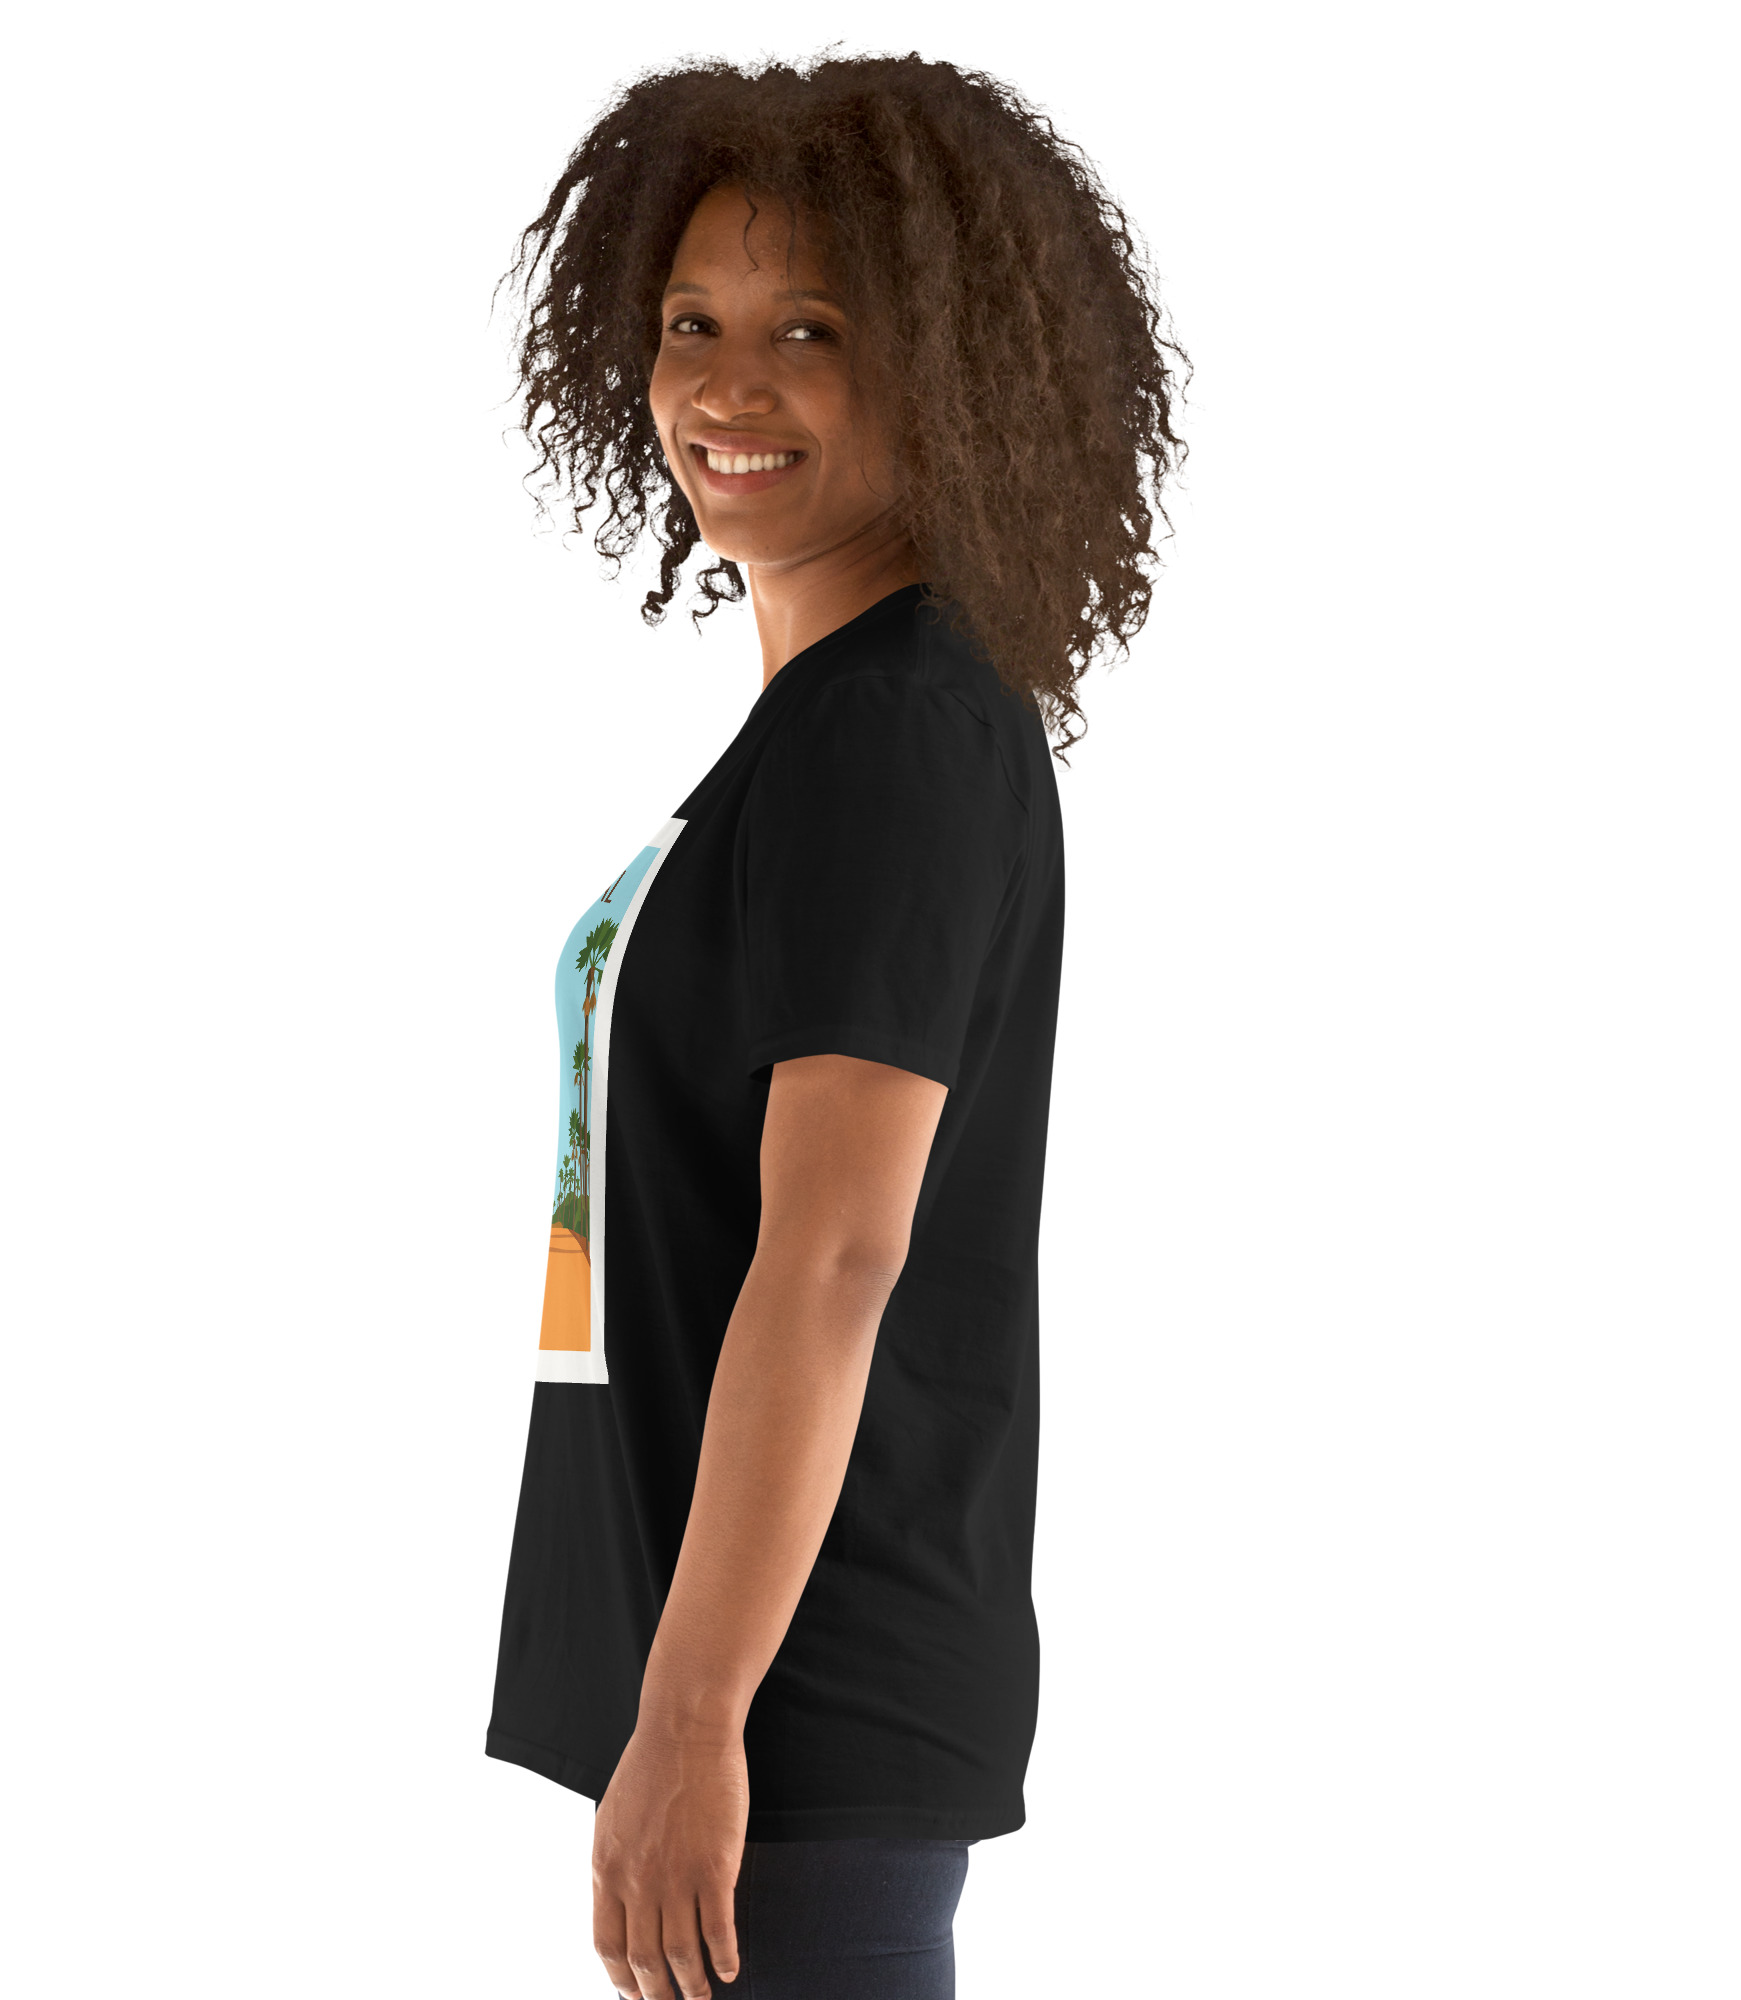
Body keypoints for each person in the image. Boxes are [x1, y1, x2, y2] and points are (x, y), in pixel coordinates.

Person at [487, 54, 1185, 2000]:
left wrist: (694, 1712)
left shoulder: (890, 730)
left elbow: (836, 1249)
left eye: (812, 329)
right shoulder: (836, 723)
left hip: (795, 1714)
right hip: (759, 1702)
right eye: (690, 325)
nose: (728, 387)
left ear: (947, 369)